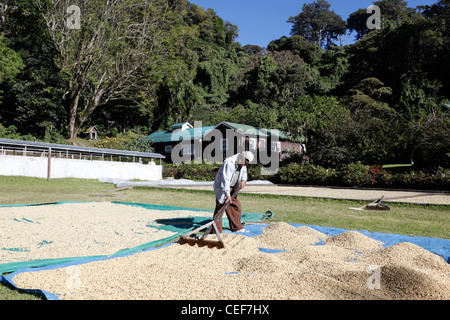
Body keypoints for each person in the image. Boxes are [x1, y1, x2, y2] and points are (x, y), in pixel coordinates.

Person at [212, 151, 254, 233]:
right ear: (241, 157)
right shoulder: (229, 162)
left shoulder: (242, 163)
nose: (244, 165)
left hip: (233, 187)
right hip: (223, 187)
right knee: (220, 208)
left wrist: (243, 180)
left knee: (235, 206)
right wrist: (227, 195)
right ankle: (216, 231)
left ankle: (236, 227)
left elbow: (244, 171)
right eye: (244, 163)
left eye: (246, 164)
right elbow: (225, 180)